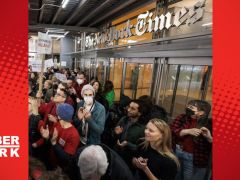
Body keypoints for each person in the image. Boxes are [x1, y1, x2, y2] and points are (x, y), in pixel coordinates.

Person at [171, 100, 212, 180]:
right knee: (176, 175)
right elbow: (172, 130)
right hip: (178, 152)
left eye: (191, 107)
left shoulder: (208, 124)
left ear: (201, 112)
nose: (188, 108)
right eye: (188, 106)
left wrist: (208, 137)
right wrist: (188, 131)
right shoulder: (182, 117)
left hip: (194, 158)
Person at [113, 99, 145, 169]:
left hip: (129, 160)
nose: (128, 110)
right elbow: (113, 135)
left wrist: (128, 144)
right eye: (129, 107)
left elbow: (141, 149)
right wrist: (116, 133)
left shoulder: (142, 128)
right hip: (117, 154)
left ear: (139, 113)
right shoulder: (123, 119)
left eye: (133, 109)